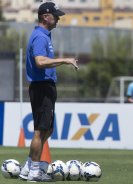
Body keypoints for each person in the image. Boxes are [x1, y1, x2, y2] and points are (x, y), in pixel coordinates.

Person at [19, 2, 79, 182]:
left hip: (46, 87)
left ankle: (28, 167)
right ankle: (35, 172)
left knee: (48, 129)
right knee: (40, 130)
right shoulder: (40, 37)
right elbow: (40, 61)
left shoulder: (45, 35)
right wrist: (65, 60)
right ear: (46, 16)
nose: (58, 18)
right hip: (41, 87)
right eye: (56, 15)